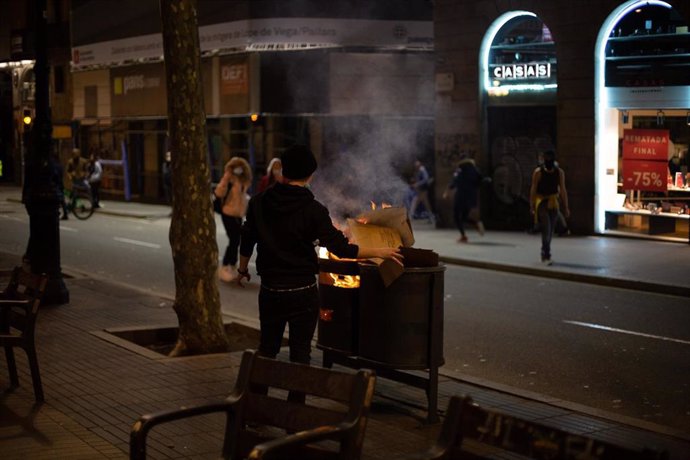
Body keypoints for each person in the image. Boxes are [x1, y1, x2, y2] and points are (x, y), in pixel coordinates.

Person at [237, 144, 403, 368]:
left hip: (270, 291)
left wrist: (242, 269)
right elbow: (342, 249)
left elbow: (247, 238)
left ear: (282, 171)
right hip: (302, 292)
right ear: (310, 175)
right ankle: (297, 399)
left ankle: (255, 395)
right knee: (300, 353)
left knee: (267, 348)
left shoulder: (258, 203)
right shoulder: (313, 210)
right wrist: (380, 251)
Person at [215, 156, 252, 282]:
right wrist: (226, 177)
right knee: (234, 240)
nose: (238, 170)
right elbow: (219, 193)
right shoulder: (229, 180)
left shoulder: (244, 181)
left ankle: (232, 265)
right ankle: (225, 266)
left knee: (237, 241)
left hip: (238, 215)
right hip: (228, 213)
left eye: (240, 167)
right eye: (235, 167)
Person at [530, 150, 570, 265]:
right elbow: (533, 189)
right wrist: (532, 205)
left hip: (553, 202)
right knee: (546, 228)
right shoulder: (538, 172)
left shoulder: (559, 172)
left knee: (550, 230)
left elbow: (563, 190)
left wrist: (566, 207)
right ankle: (546, 254)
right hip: (542, 202)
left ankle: (545, 252)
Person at [442, 156, 485, 243]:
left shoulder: (460, 170)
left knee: (456, 217)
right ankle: (476, 223)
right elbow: (480, 181)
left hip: (461, 196)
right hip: (471, 197)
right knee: (464, 217)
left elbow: (455, 181)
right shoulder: (475, 170)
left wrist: (447, 192)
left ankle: (463, 236)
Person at [409, 159, 435, 224]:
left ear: (419, 165)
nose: (415, 166)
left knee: (414, 203)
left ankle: (409, 218)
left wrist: (417, 184)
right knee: (427, 205)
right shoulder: (420, 170)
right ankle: (432, 218)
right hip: (422, 191)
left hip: (422, 191)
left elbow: (426, 179)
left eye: (416, 165)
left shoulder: (422, 170)